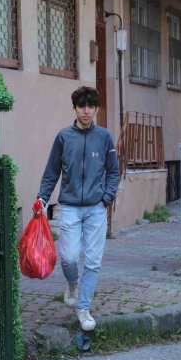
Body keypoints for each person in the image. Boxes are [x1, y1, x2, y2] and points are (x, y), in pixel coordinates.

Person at [36, 86, 120, 331]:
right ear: (74, 108)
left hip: (96, 208)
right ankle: (72, 282)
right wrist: (42, 198)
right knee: (69, 257)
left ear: (95, 109)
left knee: (93, 262)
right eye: (81, 106)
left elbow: (113, 171)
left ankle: (83, 308)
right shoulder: (64, 137)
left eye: (90, 106)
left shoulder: (104, 137)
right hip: (70, 208)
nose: (86, 111)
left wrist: (106, 198)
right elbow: (52, 172)